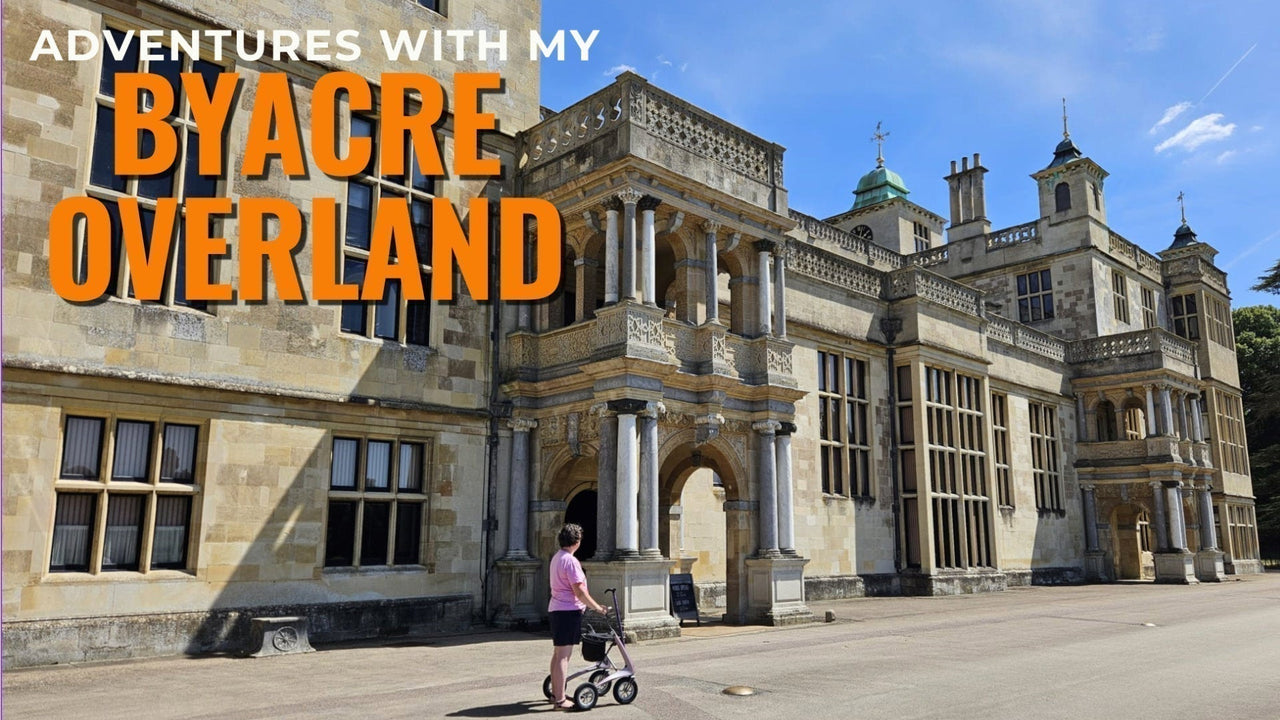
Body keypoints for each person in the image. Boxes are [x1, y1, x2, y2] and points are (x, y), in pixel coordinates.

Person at [548, 523, 608, 710]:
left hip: (557, 609)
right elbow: (579, 592)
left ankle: (555, 693)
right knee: (564, 656)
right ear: (577, 541)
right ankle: (560, 700)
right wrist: (598, 608)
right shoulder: (571, 561)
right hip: (568, 611)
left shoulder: (557, 557)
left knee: (558, 655)